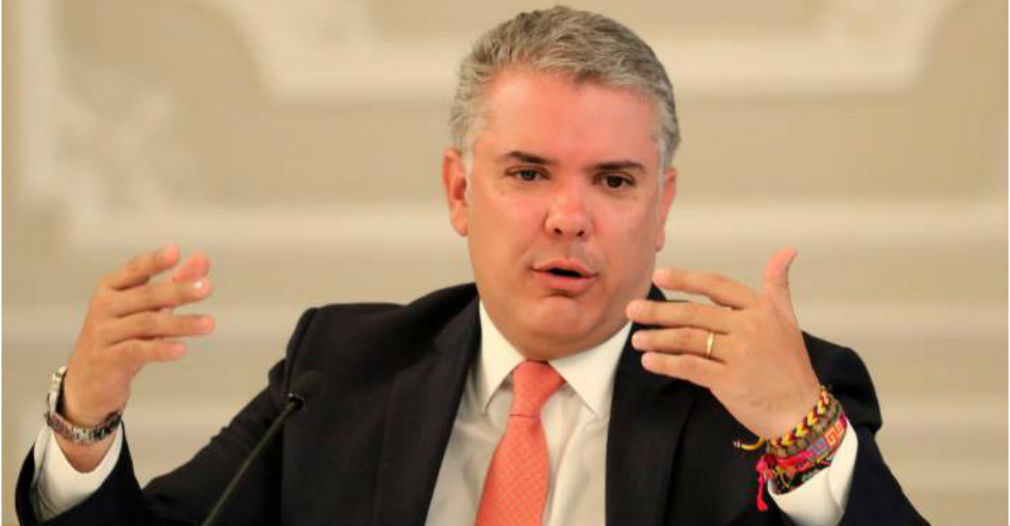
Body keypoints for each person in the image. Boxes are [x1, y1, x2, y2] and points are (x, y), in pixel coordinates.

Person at [16, 6, 926, 526]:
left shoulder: (770, 397)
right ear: (459, 192)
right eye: (528, 173)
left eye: (614, 180)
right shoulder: (340, 370)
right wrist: (84, 418)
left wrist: (804, 434)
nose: (568, 216)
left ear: (663, 207)